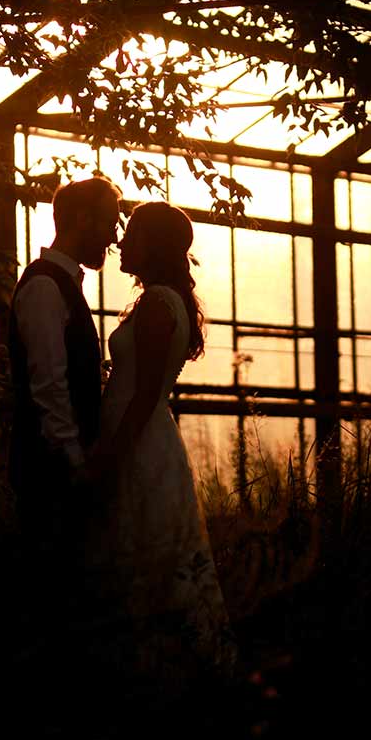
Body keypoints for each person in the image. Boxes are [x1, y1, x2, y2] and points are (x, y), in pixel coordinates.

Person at [83, 201, 238, 697]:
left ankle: (152, 679)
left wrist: (109, 456)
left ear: (152, 245)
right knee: (157, 556)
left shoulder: (155, 305)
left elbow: (146, 393)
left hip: (139, 446)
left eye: (130, 236)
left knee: (138, 551)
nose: (120, 244)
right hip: (149, 441)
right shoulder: (166, 300)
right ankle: (176, 673)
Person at [5, 174, 121, 649]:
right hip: (50, 473)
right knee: (55, 601)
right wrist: (77, 464)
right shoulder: (45, 288)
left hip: (61, 470)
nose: (115, 237)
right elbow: (49, 388)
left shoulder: (62, 284)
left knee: (70, 596)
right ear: (81, 218)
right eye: (109, 223)